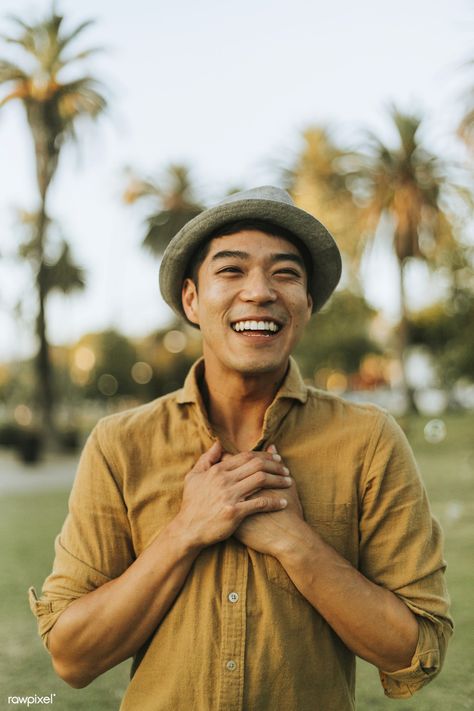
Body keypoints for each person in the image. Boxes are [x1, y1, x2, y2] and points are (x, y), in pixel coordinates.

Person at [29, 186, 452, 711]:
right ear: (191, 299)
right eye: (231, 271)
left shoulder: (368, 440)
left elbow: (413, 650)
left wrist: (295, 543)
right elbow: (72, 659)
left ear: (307, 304)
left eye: (286, 273)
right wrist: (186, 530)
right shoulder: (120, 444)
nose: (259, 292)